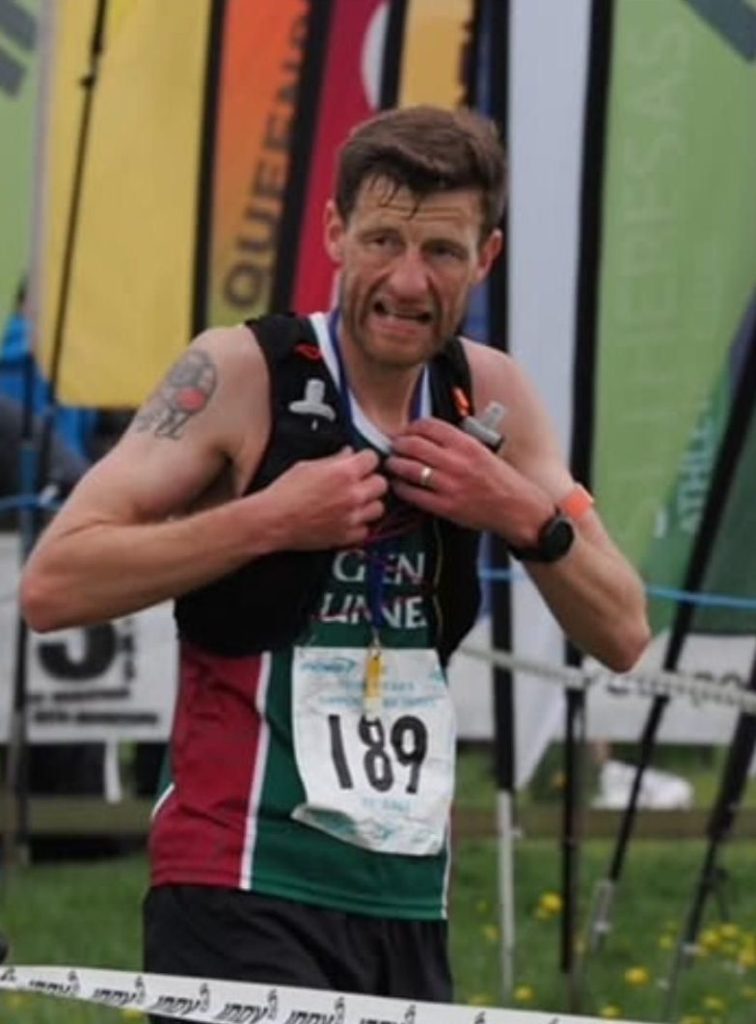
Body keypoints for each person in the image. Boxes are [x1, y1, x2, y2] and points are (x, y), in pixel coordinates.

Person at [20, 105, 650, 1006]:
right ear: (333, 234)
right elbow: (54, 583)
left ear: (486, 258)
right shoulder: (240, 374)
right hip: (239, 875)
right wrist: (267, 521)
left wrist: (521, 513)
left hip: (405, 892)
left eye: (441, 251)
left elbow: (624, 631)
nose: (407, 280)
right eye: (382, 240)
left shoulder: (489, 394)